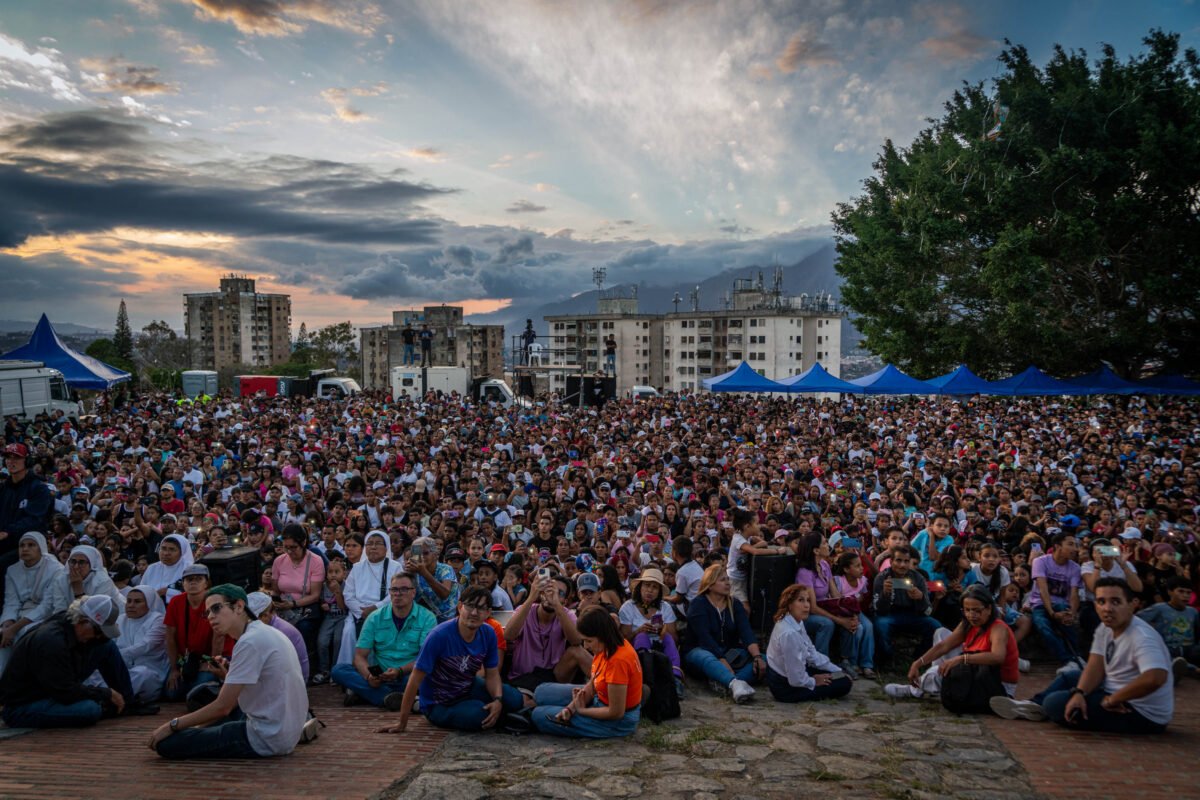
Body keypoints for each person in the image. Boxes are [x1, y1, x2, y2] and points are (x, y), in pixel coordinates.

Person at [148, 584, 314, 758]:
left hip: (266, 737)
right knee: (203, 705)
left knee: (166, 743)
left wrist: (172, 725)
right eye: (208, 612)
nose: (211, 616)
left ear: (239, 606)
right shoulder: (264, 632)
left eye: (217, 608)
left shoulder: (250, 641)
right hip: (284, 732)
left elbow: (223, 707)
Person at [991, 578, 1173, 734]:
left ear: (1133, 604)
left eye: (1116, 602)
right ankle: (1031, 706)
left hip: (1140, 712)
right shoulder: (1105, 628)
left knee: (1054, 703)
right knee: (1071, 677)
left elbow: (1155, 677)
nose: (1107, 608)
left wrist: (1113, 699)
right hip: (1113, 689)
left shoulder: (1142, 636)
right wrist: (1079, 692)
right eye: (1101, 602)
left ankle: (1043, 707)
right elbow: (1095, 665)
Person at [376, 587, 525, 733]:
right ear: (460, 607)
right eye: (470, 606)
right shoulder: (439, 635)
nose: (474, 613)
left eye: (480, 608)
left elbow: (492, 674)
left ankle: (497, 711)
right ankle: (422, 706)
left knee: (514, 699)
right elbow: (415, 679)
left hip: (468, 687)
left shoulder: (488, 633)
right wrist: (402, 722)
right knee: (479, 716)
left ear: (488, 612)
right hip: (439, 703)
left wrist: (498, 700)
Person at [0, 595, 144, 727]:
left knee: (106, 646)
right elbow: (65, 691)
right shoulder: (52, 641)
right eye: (99, 632)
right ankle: (107, 706)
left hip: (52, 690)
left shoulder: (70, 624)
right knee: (89, 710)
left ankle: (126, 703)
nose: (99, 637)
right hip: (24, 705)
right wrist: (105, 694)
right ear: (83, 622)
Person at [885, 585, 1019, 713]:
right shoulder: (968, 623)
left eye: (977, 610)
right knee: (941, 633)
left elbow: (997, 657)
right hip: (976, 670)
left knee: (939, 672)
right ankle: (936, 680)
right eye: (967, 610)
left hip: (998, 683)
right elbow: (944, 646)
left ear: (989, 609)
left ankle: (918, 687)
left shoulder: (998, 627)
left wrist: (961, 659)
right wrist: (918, 663)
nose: (972, 615)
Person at [530, 605, 643, 738]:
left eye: (589, 641)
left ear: (602, 635)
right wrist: (571, 708)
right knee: (541, 691)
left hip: (618, 721)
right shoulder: (605, 646)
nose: (585, 646)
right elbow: (593, 682)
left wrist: (582, 711)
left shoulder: (618, 661)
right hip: (600, 698)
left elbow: (616, 712)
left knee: (538, 715)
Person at [332, 572, 436, 709]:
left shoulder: (427, 618)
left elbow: (425, 658)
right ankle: (399, 698)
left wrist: (399, 671)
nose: (398, 593)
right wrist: (369, 676)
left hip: (408, 675)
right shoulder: (375, 617)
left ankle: (371, 695)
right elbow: (359, 656)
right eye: (394, 589)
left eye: (404, 589)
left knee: (429, 678)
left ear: (413, 593)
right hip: (380, 677)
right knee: (338, 670)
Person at [683, 564, 765, 703]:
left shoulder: (734, 604)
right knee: (706, 656)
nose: (727, 582)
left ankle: (725, 683)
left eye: (728, 579)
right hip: (700, 651)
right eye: (722, 580)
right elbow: (704, 638)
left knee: (764, 658)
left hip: (729, 653)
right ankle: (734, 683)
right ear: (709, 584)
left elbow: (746, 632)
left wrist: (757, 656)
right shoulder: (698, 604)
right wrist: (721, 660)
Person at [765, 585, 853, 703]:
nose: (806, 605)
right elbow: (795, 679)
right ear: (789, 604)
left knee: (839, 676)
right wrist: (813, 681)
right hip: (785, 687)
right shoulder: (789, 633)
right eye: (800, 600)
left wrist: (837, 670)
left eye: (808, 600)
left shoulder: (796, 621)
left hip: (794, 673)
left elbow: (811, 652)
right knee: (844, 684)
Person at [505, 572, 590, 691]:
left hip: (552, 675)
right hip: (523, 677)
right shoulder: (525, 610)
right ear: (541, 592)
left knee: (577, 651)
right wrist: (531, 598)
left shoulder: (566, 614)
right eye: (549, 589)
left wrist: (556, 605)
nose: (552, 594)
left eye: (559, 593)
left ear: (565, 601)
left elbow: (576, 641)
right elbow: (508, 636)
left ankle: (607, 685)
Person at [0, 531, 65, 674]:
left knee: (25, 634)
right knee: (2, 635)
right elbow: (11, 601)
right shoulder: (13, 570)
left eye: (31, 545)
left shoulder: (56, 570)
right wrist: (7, 623)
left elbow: (47, 606)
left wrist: (15, 627)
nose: (25, 549)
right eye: (22, 545)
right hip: (21, 613)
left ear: (41, 547)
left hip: (45, 616)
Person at [872, 545, 942, 668]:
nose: (902, 565)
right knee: (881, 625)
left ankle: (920, 658)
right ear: (891, 561)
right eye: (898, 560)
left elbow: (927, 611)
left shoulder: (918, 578)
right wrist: (885, 594)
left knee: (935, 626)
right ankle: (887, 661)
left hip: (913, 615)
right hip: (890, 614)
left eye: (906, 561)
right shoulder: (882, 578)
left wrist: (920, 598)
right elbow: (878, 610)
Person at [337, 530, 402, 663]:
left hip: (384, 612)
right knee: (348, 633)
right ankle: (352, 670)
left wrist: (375, 608)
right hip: (358, 613)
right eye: (369, 544)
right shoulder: (357, 567)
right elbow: (348, 595)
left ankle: (377, 673)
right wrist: (361, 612)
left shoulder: (395, 567)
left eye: (378, 543)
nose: (373, 547)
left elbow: (396, 593)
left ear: (386, 547)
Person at [0, 443, 54, 602]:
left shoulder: (38, 488)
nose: (11, 461)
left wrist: (7, 531)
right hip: (6, 540)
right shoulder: (4, 489)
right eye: (8, 457)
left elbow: (34, 519)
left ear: (27, 461)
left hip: (30, 542)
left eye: (16, 457)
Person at [163, 563, 223, 702]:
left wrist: (212, 664)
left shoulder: (214, 601)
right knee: (170, 693)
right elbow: (170, 637)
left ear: (207, 583)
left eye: (198, 579)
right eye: (189, 579)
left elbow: (218, 636)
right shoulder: (176, 602)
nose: (193, 582)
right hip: (186, 660)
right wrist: (174, 669)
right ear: (183, 583)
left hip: (209, 658)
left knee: (198, 693)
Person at [1028, 532, 1085, 672]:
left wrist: (1071, 613)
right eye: (1070, 544)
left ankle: (1077, 655)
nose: (1075, 549)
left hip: (1062, 605)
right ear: (1058, 546)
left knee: (1066, 616)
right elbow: (1043, 590)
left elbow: (1074, 594)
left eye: (1076, 545)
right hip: (1040, 604)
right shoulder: (1040, 562)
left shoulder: (1075, 568)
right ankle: (1068, 660)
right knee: (1043, 626)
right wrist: (1052, 614)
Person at [618, 567, 682, 686]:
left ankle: (675, 678)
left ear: (659, 592)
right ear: (640, 587)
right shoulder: (628, 607)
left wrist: (663, 630)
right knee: (642, 636)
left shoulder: (665, 607)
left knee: (667, 638)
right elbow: (623, 639)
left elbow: (674, 638)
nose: (650, 590)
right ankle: (645, 677)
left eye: (654, 587)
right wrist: (639, 630)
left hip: (660, 648)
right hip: (636, 650)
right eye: (647, 585)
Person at [272, 523, 324, 668]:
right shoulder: (279, 561)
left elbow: (315, 595)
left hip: (305, 608)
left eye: (293, 547)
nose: (289, 551)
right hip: (284, 607)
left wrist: (293, 604)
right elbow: (275, 590)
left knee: (303, 628)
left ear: (303, 543)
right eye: (286, 547)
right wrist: (276, 602)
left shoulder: (315, 561)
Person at [117, 586, 170, 703]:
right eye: (129, 601)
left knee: (142, 673)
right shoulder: (120, 620)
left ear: (149, 604)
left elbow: (145, 645)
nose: (130, 605)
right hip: (124, 669)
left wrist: (114, 656)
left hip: (151, 674)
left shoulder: (158, 620)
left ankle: (113, 699)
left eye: (137, 602)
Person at [1138, 576, 1198, 677]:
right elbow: (1137, 619)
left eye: (1188, 593)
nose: (1185, 596)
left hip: (1189, 649)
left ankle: (1185, 669)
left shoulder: (1193, 612)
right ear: (1170, 592)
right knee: (1161, 657)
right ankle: (1191, 670)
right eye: (1181, 591)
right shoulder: (1160, 608)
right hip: (1168, 649)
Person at [246, 592, 310, 681]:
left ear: (265, 616)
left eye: (251, 620)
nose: (249, 623)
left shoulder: (279, 630)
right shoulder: (271, 625)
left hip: (292, 679)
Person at [52, 544, 124, 613]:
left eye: (81, 562)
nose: (76, 566)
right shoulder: (61, 580)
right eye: (73, 561)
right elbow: (59, 610)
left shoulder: (103, 581)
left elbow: (95, 614)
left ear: (91, 565)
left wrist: (78, 590)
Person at [407, 537, 460, 623]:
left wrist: (423, 572)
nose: (421, 557)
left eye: (425, 553)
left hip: (445, 620)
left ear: (436, 555)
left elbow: (444, 594)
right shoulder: (415, 571)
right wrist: (408, 574)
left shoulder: (445, 569)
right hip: (422, 619)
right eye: (417, 553)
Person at [138, 533, 194, 603]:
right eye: (163, 548)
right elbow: (142, 591)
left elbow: (193, 593)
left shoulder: (189, 569)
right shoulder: (152, 568)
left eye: (172, 549)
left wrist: (167, 592)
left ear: (182, 552)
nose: (166, 553)